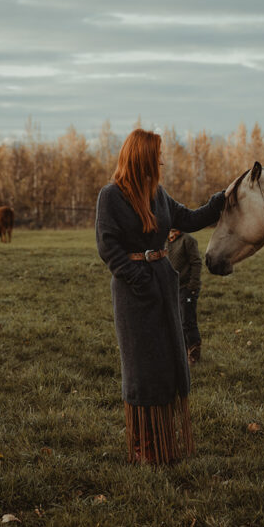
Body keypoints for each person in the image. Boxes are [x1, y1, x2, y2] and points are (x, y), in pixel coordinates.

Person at [95, 129, 225, 465]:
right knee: (144, 367)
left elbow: (190, 218)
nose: (162, 159)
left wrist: (220, 201)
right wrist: (140, 279)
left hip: (163, 286)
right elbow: (108, 247)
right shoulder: (110, 196)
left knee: (168, 362)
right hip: (135, 294)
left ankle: (165, 442)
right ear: (142, 157)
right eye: (157, 154)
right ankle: (144, 446)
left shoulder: (158, 194)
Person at [167, 229, 203, 364]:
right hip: (172, 288)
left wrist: (192, 286)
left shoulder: (187, 240)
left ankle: (194, 353)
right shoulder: (166, 241)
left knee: (187, 320)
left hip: (187, 288)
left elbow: (196, 262)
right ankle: (182, 353)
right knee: (177, 321)